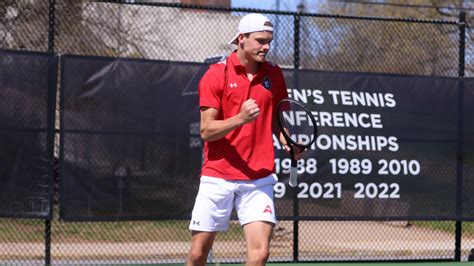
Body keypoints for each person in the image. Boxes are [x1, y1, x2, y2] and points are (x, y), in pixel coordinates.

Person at [187, 13, 299, 266]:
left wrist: (287, 141)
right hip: (217, 176)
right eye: (260, 40)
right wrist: (239, 119)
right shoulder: (216, 75)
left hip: (258, 178)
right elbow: (206, 130)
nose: (266, 47)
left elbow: (277, 122)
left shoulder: (275, 75)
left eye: (269, 41)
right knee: (197, 254)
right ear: (241, 39)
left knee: (260, 255)